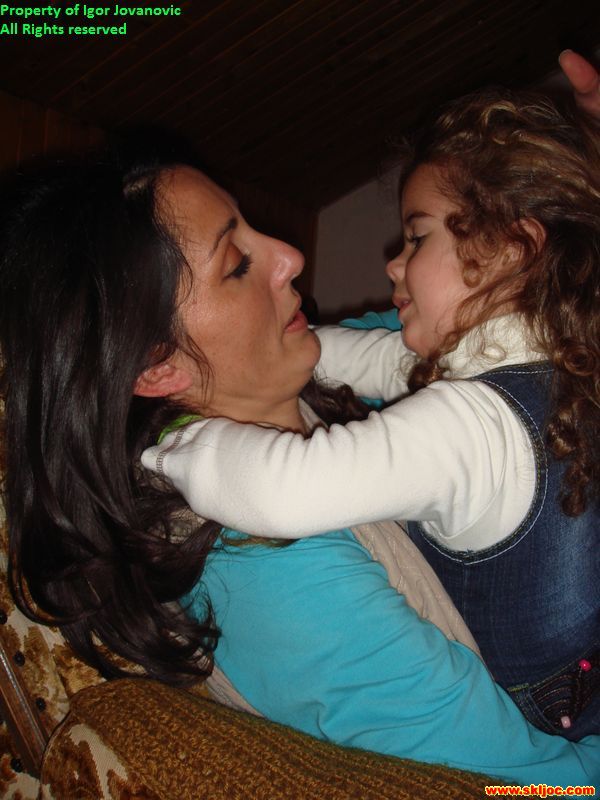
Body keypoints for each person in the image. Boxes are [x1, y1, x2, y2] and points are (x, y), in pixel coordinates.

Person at [1, 155, 599, 786]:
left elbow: (471, 320)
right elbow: (529, 784)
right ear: (156, 364)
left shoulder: (290, 385)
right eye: (237, 264)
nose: (290, 255)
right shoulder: (270, 572)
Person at [142, 85, 600, 743]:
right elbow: (350, 356)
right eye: (237, 264)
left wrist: (174, 447)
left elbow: (286, 491)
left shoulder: (470, 426)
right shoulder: (552, 349)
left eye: (418, 238)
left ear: (512, 248)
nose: (394, 261)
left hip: (558, 728)